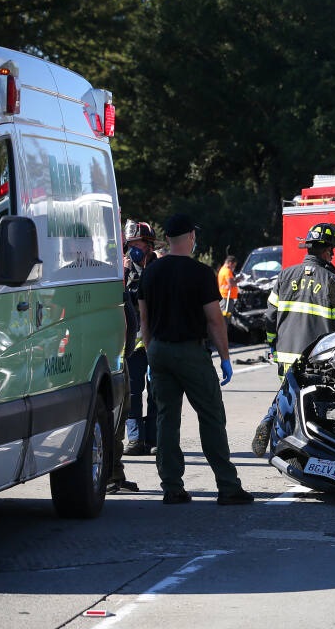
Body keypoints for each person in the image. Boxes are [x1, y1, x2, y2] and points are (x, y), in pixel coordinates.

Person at [138, 213, 254, 505]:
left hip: (159, 350)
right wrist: (225, 358)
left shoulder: (150, 272)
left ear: (167, 240)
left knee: (166, 419)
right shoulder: (200, 273)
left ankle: (172, 486)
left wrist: (151, 355)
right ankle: (228, 487)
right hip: (190, 351)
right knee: (211, 416)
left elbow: (144, 320)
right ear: (190, 237)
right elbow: (215, 321)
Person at [252, 222, 335, 457]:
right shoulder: (331, 281)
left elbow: (269, 316)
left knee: (287, 393)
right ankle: (304, 448)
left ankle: (272, 427)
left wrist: (273, 345)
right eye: (332, 250)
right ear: (327, 250)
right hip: (316, 357)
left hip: (286, 353)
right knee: (312, 404)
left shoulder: (285, 275)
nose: (332, 254)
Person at [121, 220, 158, 458]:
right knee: (132, 392)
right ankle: (135, 439)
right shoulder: (122, 268)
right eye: (129, 244)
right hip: (133, 343)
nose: (132, 248)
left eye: (136, 243)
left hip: (156, 341)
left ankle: (154, 438)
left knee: (156, 392)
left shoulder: (159, 267)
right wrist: (123, 273)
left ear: (148, 245)